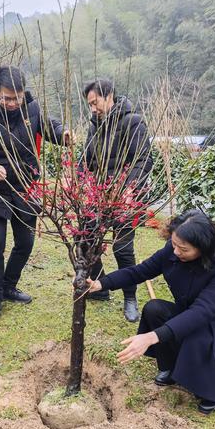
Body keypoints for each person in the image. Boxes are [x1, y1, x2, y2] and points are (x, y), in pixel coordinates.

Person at [87, 210, 215, 414]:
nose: (175, 252)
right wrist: (101, 284)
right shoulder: (172, 251)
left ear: (203, 248)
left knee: (196, 338)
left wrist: (151, 337)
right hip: (189, 315)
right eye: (174, 244)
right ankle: (173, 368)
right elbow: (140, 271)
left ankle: (214, 391)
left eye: (184, 249)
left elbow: (200, 313)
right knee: (154, 309)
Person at [0, 65, 73, 317]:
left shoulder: (31, 108)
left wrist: (63, 135)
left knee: (25, 242)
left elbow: (50, 128)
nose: (13, 103)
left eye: (18, 97)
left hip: (26, 184)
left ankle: (8, 286)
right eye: (7, 98)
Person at [83, 79, 153, 323]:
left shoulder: (133, 122)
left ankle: (130, 297)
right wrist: (82, 181)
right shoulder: (94, 126)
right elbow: (87, 161)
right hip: (100, 194)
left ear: (109, 95)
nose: (93, 108)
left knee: (122, 249)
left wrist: (127, 188)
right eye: (89, 104)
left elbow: (144, 160)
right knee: (85, 237)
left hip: (126, 196)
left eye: (96, 102)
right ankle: (98, 286)